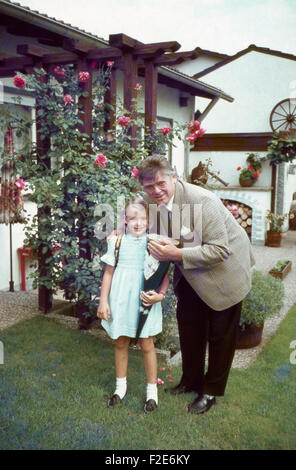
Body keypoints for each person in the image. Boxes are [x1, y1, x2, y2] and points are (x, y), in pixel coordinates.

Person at [138, 155, 255, 414]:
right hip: (190, 271)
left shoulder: (203, 201)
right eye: (148, 186)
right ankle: (191, 380)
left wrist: (175, 254)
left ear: (174, 177)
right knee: (189, 328)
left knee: (221, 335)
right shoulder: (149, 201)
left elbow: (219, 250)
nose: (156, 191)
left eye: (161, 183)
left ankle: (211, 392)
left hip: (225, 270)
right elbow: (136, 213)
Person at [97, 197, 169, 413]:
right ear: (125, 221)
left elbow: (163, 273)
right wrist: (103, 300)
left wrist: (160, 295)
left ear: (149, 221)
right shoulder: (116, 242)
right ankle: (120, 388)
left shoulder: (155, 243)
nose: (137, 223)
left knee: (147, 343)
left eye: (142, 218)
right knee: (121, 342)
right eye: (132, 218)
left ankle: (152, 393)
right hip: (121, 298)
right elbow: (108, 273)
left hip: (145, 298)